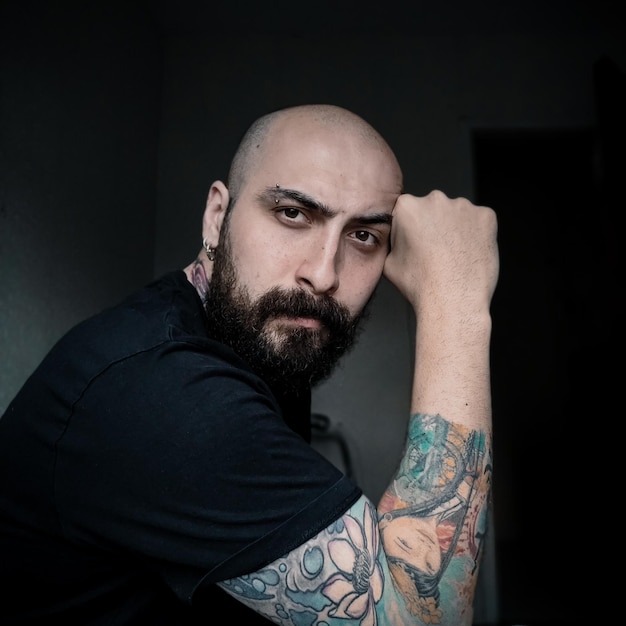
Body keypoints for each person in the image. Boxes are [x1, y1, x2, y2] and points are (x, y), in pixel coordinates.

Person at [0, 103, 499, 625]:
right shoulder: (168, 393)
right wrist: (456, 300)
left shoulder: (253, 340)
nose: (324, 275)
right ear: (217, 215)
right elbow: (423, 620)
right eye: (293, 214)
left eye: (364, 236)